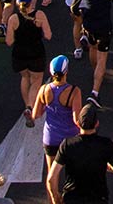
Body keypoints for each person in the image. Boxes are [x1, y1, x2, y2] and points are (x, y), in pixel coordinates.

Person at [32, 56, 85, 200]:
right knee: (73, 172)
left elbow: (35, 114)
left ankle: (53, 200)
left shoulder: (44, 90)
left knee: (52, 173)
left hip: (51, 138)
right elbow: (76, 119)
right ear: (66, 71)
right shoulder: (74, 91)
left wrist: (49, 107)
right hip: (70, 139)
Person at [54, 104, 113, 204]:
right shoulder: (106, 144)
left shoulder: (67, 144)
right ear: (97, 123)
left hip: (71, 199)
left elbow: (51, 178)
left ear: (78, 123)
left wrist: (56, 199)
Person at [5, 0, 52, 123]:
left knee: (25, 77)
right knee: (36, 81)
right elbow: (48, 35)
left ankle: (27, 106)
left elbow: (9, 41)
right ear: (31, 1)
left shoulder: (13, 19)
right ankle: (31, 106)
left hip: (19, 54)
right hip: (36, 53)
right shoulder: (39, 15)